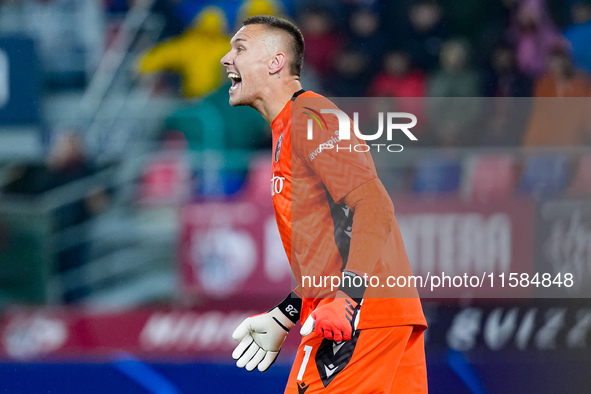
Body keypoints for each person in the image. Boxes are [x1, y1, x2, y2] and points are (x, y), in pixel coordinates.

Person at [221, 15, 427, 393]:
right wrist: (286, 314)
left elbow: (375, 206)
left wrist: (348, 301)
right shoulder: (290, 127)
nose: (225, 58)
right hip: (377, 314)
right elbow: (331, 251)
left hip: (358, 318)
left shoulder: (310, 118)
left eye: (239, 48)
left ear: (275, 62)